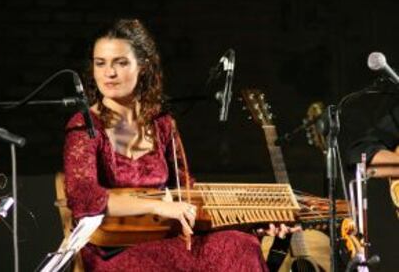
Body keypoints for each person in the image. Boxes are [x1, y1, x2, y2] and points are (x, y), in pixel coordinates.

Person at [64, 18, 295, 272]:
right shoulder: (85, 126)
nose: (109, 73)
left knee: (241, 244)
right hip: (113, 249)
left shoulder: (162, 123)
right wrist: (157, 205)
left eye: (120, 63)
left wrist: (251, 222)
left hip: (167, 237)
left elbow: (186, 190)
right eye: (101, 63)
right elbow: (84, 197)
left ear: (143, 66)